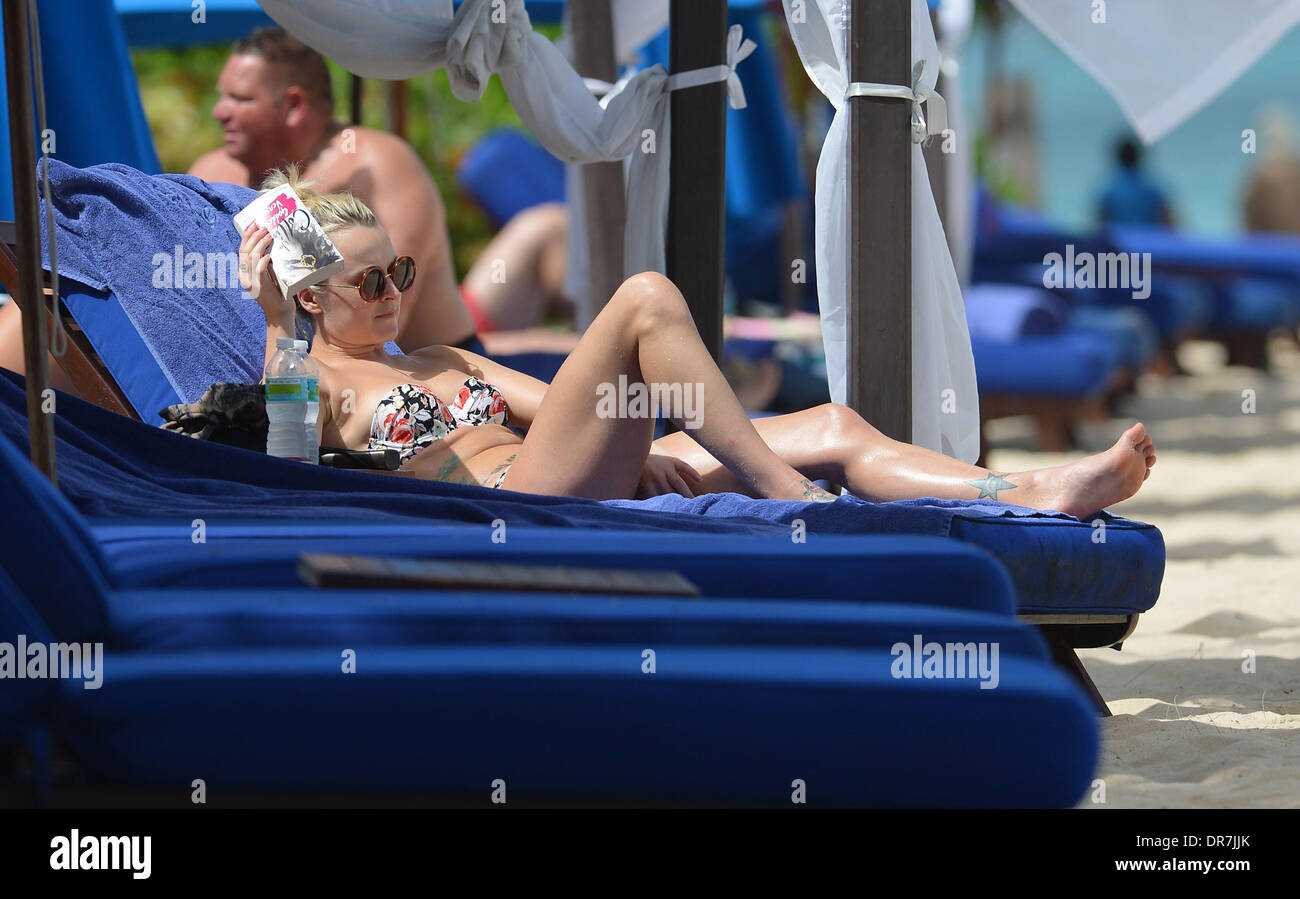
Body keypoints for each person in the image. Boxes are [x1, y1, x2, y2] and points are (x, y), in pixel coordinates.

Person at [240, 168, 1157, 511]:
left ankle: (1027, 488)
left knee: (834, 418)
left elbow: (577, 401)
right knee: (643, 298)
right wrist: (280, 332)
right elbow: (282, 473)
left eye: (400, 272)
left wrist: (631, 449)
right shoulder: (311, 385)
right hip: (510, 506)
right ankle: (782, 491)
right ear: (313, 300)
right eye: (370, 282)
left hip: (558, 471)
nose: (396, 293)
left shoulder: (441, 359)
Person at [189, 25, 569, 356]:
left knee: (545, 228)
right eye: (223, 96)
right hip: (294, 370)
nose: (219, 111)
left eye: (240, 99)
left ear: (293, 105)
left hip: (427, 374)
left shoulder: (378, 163)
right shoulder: (212, 172)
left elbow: (384, 315)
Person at [1097, 137, 1175, 227]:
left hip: (1119, 239)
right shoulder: (1154, 189)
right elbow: (1168, 223)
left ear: (1118, 158)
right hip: (1148, 239)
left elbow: (1101, 225)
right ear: (1139, 157)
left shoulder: (1109, 191)